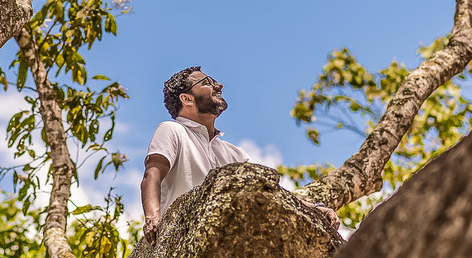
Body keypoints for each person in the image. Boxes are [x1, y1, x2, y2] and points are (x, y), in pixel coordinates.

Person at [141, 66, 339, 241]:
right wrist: (153, 219)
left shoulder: (233, 153)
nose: (219, 85)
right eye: (207, 82)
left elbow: (270, 191)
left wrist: (312, 208)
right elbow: (153, 173)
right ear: (187, 99)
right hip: (183, 238)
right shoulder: (172, 130)